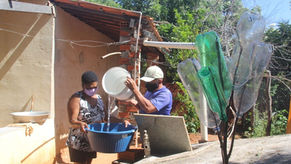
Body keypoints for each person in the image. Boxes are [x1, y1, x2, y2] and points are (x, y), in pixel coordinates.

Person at [66, 71, 105, 164]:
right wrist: (80, 123)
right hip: (78, 141)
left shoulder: (99, 98)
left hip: (92, 140)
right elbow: (72, 120)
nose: (93, 90)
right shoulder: (76, 98)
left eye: (95, 87)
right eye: (89, 88)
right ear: (83, 85)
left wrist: (121, 121)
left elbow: (106, 116)